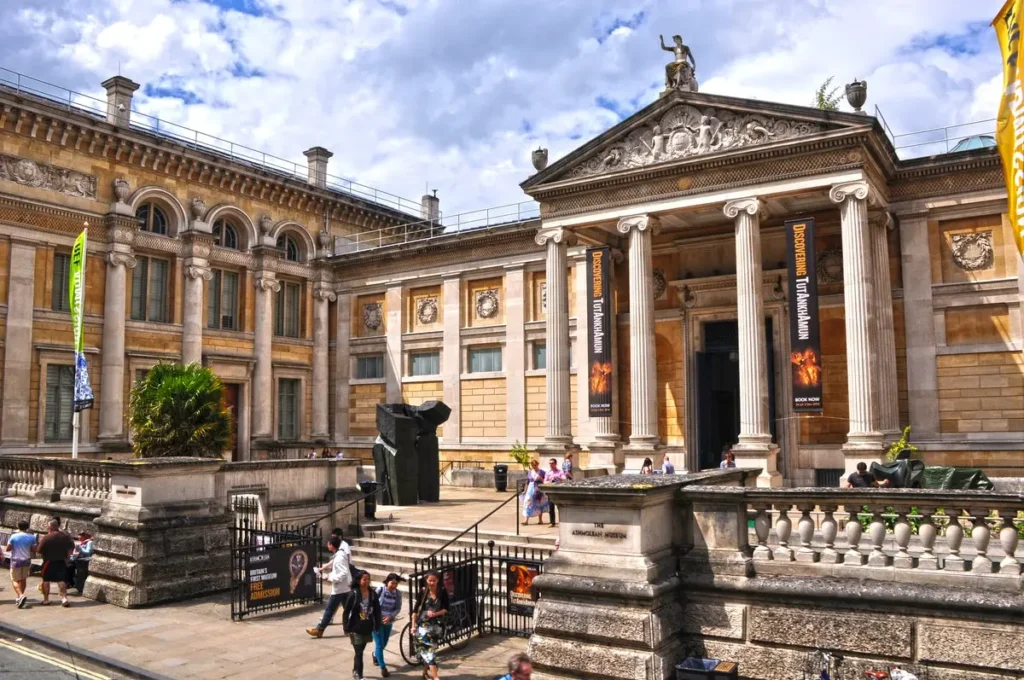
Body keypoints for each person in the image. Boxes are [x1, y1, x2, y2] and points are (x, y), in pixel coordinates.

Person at [306, 535, 352, 638]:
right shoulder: (339, 554)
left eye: (328, 543)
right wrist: (323, 568)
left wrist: (329, 578)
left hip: (340, 588)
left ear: (331, 545)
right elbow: (333, 563)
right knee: (348, 609)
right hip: (344, 587)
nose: (327, 545)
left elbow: (343, 572)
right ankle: (349, 628)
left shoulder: (339, 556)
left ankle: (320, 629)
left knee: (330, 609)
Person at [343, 570, 382, 680]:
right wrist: (345, 627)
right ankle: (359, 675)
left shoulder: (373, 594)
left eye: (368, 579)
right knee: (359, 651)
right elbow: (346, 611)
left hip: (367, 627)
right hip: (355, 627)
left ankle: (355, 669)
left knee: (361, 650)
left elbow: (377, 611)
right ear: (359, 580)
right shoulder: (353, 594)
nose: (366, 581)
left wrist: (377, 625)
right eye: (364, 579)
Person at [412, 570, 449, 680]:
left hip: (435, 626)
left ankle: (424, 672)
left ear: (438, 580)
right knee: (429, 652)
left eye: (434, 580)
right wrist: (413, 625)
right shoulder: (423, 591)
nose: (431, 583)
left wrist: (435, 614)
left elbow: (446, 609)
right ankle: (436, 677)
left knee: (431, 650)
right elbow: (415, 610)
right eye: (429, 580)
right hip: (422, 625)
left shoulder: (442, 591)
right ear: (426, 581)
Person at [37, 518, 75, 607]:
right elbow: (72, 547)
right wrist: (67, 557)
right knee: (61, 580)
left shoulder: (46, 537)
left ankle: (46, 599)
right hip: (61, 561)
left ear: (50, 527)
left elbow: (38, 550)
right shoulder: (65, 536)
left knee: (46, 580)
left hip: (48, 562)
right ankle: (64, 598)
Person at [372, 572, 403, 677]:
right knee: (380, 644)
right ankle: (383, 667)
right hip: (376, 621)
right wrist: (378, 616)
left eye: (396, 584)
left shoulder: (398, 594)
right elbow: (372, 603)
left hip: (388, 621)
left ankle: (375, 654)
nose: (393, 586)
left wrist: (390, 616)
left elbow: (398, 608)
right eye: (392, 583)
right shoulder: (380, 589)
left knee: (383, 643)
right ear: (387, 581)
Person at [8, 520, 36, 608]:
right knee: (23, 579)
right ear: (27, 527)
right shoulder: (32, 537)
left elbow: (8, 548)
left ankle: (20, 595)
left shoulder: (14, 536)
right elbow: (34, 550)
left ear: (18, 527)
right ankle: (19, 597)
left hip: (16, 560)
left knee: (14, 580)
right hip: (27, 560)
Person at [520, 460, 549, 526]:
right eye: (533, 465)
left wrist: (541, 479)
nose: (534, 467)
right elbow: (527, 482)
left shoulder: (541, 472)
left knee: (539, 503)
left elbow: (545, 480)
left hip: (538, 489)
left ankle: (540, 520)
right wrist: (525, 490)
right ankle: (526, 520)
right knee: (527, 502)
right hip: (530, 489)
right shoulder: (530, 472)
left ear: (537, 465)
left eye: (535, 465)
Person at [544, 458, 566, 527]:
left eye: (552, 463)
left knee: (560, 507)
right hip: (550, 491)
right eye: (550, 463)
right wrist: (550, 480)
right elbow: (544, 481)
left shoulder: (560, 471)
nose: (551, 465)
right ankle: (552, 522)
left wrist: (558, 478)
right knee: (551, 507)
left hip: (558, 491)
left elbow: (564, 479)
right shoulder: (548, 472)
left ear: (555, 464)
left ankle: (562, 521)